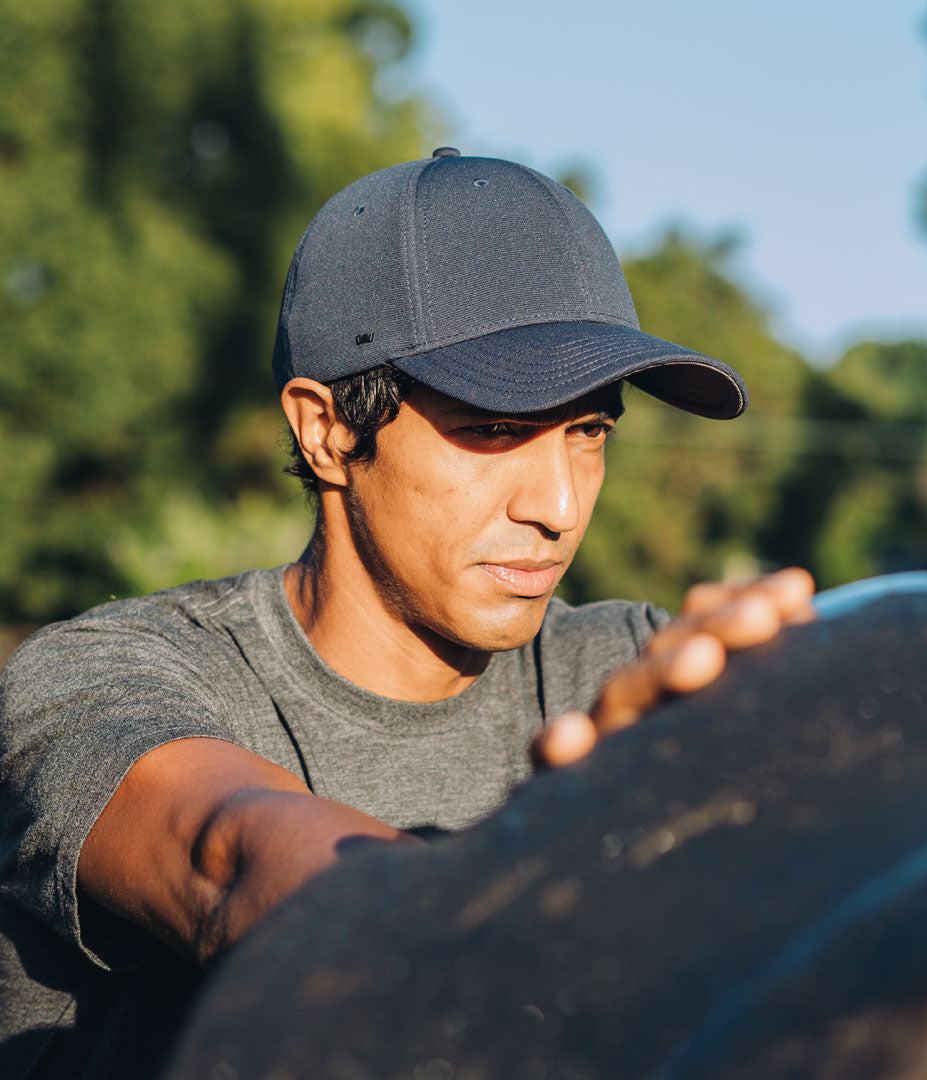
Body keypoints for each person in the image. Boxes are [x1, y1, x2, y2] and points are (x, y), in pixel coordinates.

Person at [0, 148, 813, 1079]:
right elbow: (228, 861)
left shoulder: (633, 676)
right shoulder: (100, 677)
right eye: (496, 429)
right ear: (328, 430)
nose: (558, 504)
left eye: (589, 432)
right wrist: (553, 870)